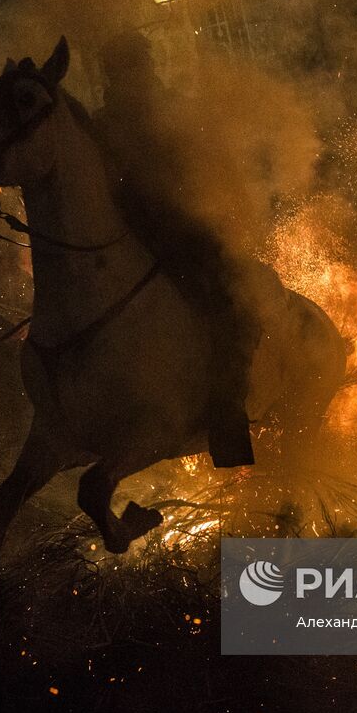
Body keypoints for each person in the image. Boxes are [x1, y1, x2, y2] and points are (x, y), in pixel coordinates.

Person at [90, 32, 258, 468]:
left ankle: (224, 417)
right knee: (233, 312)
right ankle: (225, 418)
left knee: (232, 309)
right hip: (167, 239)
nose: (129, 77)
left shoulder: (114, 121)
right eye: (127, 68)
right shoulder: (155, 115)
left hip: (141, 237)